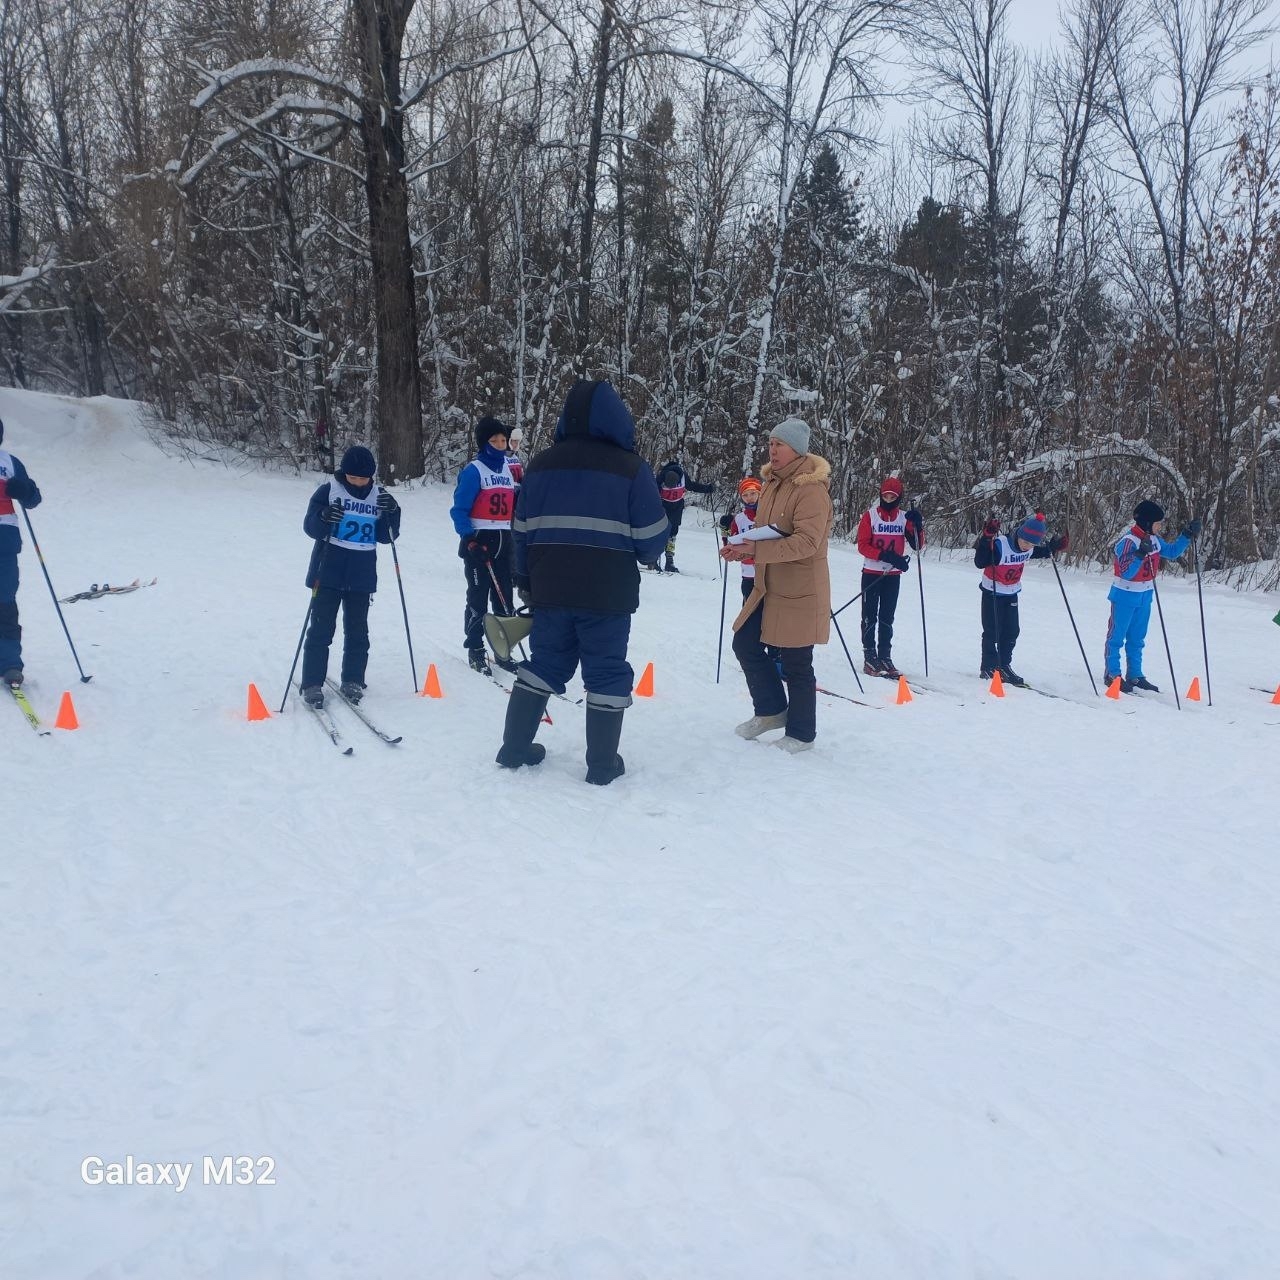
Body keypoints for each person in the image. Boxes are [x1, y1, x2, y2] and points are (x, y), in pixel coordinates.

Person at [496, 379, 668, 784]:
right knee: (606, 671)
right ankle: (602, 767)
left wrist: (525, 579)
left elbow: (519, 531)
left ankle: (515, 748)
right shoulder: (631, 469)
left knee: (545, 663)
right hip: (607, 594)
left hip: (549, 589)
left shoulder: (539, 465)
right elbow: (651, 540)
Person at [721, 418, 832, 753]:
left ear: (796, 448)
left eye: (779, 444)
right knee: (745, 643)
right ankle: (771, 711)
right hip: (767, 584)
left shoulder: (811, 490)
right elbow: (765, 531)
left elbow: (808, 543)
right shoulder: (771, 484)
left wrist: (758, 549)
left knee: (797, 662)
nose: (772, 450)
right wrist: (742, 548)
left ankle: (801, 734)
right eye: (770, 443)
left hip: (799, 589)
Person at [299, 445, 400, 707]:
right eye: (352, 477)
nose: (357, 482)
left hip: (361, 575)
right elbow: (310, 527)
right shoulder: (329, 491)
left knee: (357, 632)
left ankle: (353, 679)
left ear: (371, 476)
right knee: (321, 629)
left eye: (362, 478)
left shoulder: (379, 496)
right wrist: (323, 517)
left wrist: (393, 512)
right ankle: (312, 683)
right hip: (327, 572)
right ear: (344, 474)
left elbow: (386, 536)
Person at [1104, 500, 1201, 692]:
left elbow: (1172, 553)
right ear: (1147, 523)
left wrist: (1186, 535)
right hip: (1125, 595)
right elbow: (1126, 572)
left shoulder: (1154, 540)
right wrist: (1140, 554)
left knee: (1138, 638)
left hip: (1145, 595)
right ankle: (1112, 674)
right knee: (1117, 636)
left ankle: (1135, 675)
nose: (1160, 526)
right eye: (1157, 523)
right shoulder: (1128, 542)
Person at [450, 416, 518, 675]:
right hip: (480, 540)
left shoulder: (507, 470)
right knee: (478, 598)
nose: (500, 445)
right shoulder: (474, 470)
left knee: (504, 600)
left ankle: (502, 649)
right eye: (494, 440)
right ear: (484, 443)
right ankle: (475, 648)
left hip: (503, 539)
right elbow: (459, 510)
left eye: (503, 440)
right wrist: (469, 538)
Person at [974, 512, 1067, 686]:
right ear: (1019, 534)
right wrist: (986, 539)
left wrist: (1053, 548)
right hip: (992, 592)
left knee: (1011, 631)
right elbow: (980, 561)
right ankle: (988, 666)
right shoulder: (1001, 545)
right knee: (992, 630)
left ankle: (1003, 665)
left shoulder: (1029, 548)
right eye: (1025, 542)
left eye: (1031, 544)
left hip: (1012, 592)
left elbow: (1039, 552)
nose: (1027, 547)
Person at [855, 476, 924, 678]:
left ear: (899, 497)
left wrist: (917, 526)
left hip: (892, 575)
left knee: (887, 617)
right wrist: (886, 555)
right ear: (880, 495)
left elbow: (918, 545)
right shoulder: (870, 516)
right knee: (869, 616)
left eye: (893, 496)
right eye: (885, 495)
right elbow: (862, 545)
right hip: (872, 572)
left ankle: (885, 655)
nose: (888, 498)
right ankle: (870, 656)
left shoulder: (904, 518)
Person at [0, 417, 43, 687]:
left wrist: (24, 489)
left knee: (4, 603)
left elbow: (33, 498)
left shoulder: (9, 462)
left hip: (4, 541)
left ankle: (10, 664)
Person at [655, 457, 715, 572]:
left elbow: (692, 486)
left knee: (672, 536)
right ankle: (654, 559)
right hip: (662, 507)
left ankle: (669, 561)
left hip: (676, 508)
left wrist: (707, 489)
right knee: (659, 533)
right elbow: (653, 490)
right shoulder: (661, 476)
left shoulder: (683, 476)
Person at [719, 476, 764, 602]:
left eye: (753, 493)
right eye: (745, 495)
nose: (749, 498)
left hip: (769, 570)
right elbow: (731, 546)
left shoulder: (769, 515)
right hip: (748, 571)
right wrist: (725, 531)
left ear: (760, 493)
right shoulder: (739, 519)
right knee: (749, 608)